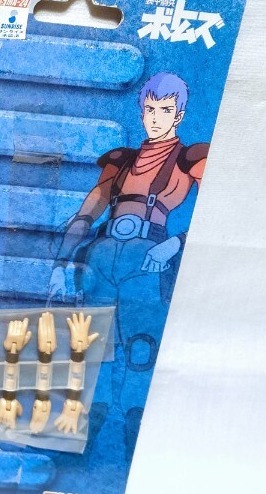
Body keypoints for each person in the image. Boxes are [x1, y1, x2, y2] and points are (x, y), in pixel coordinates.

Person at [48, 72, 207, 456]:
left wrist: (174, 244)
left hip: (147, 262)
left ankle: (138, 442)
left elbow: (221, 213)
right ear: (141, 111)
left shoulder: (190, 159)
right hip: (102, 259)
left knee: (140, 349)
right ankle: (80, 441)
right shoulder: (120, 162)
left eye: (165, 110)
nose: (155, 118)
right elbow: (86, 214)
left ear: (179, 115)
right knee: (94, 349)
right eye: (149, 109)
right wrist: (60, 264)